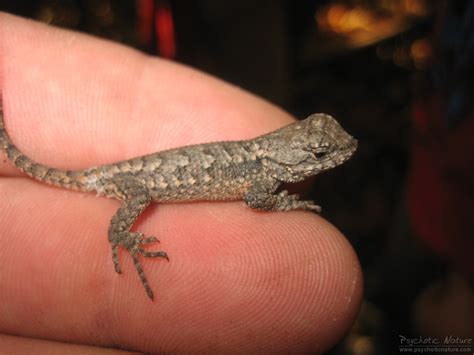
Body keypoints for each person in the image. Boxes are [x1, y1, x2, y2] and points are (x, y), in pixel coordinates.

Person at [0, 13, 362, 353]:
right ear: (293, 151)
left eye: (321, 153)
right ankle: (117, 235)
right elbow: (254, 199)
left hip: (150, 171)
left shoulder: (265, 161)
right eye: (319, 155)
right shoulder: (262, 173)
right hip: (131, 179)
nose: (331, 157)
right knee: (139, 197)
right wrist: (284, 203)